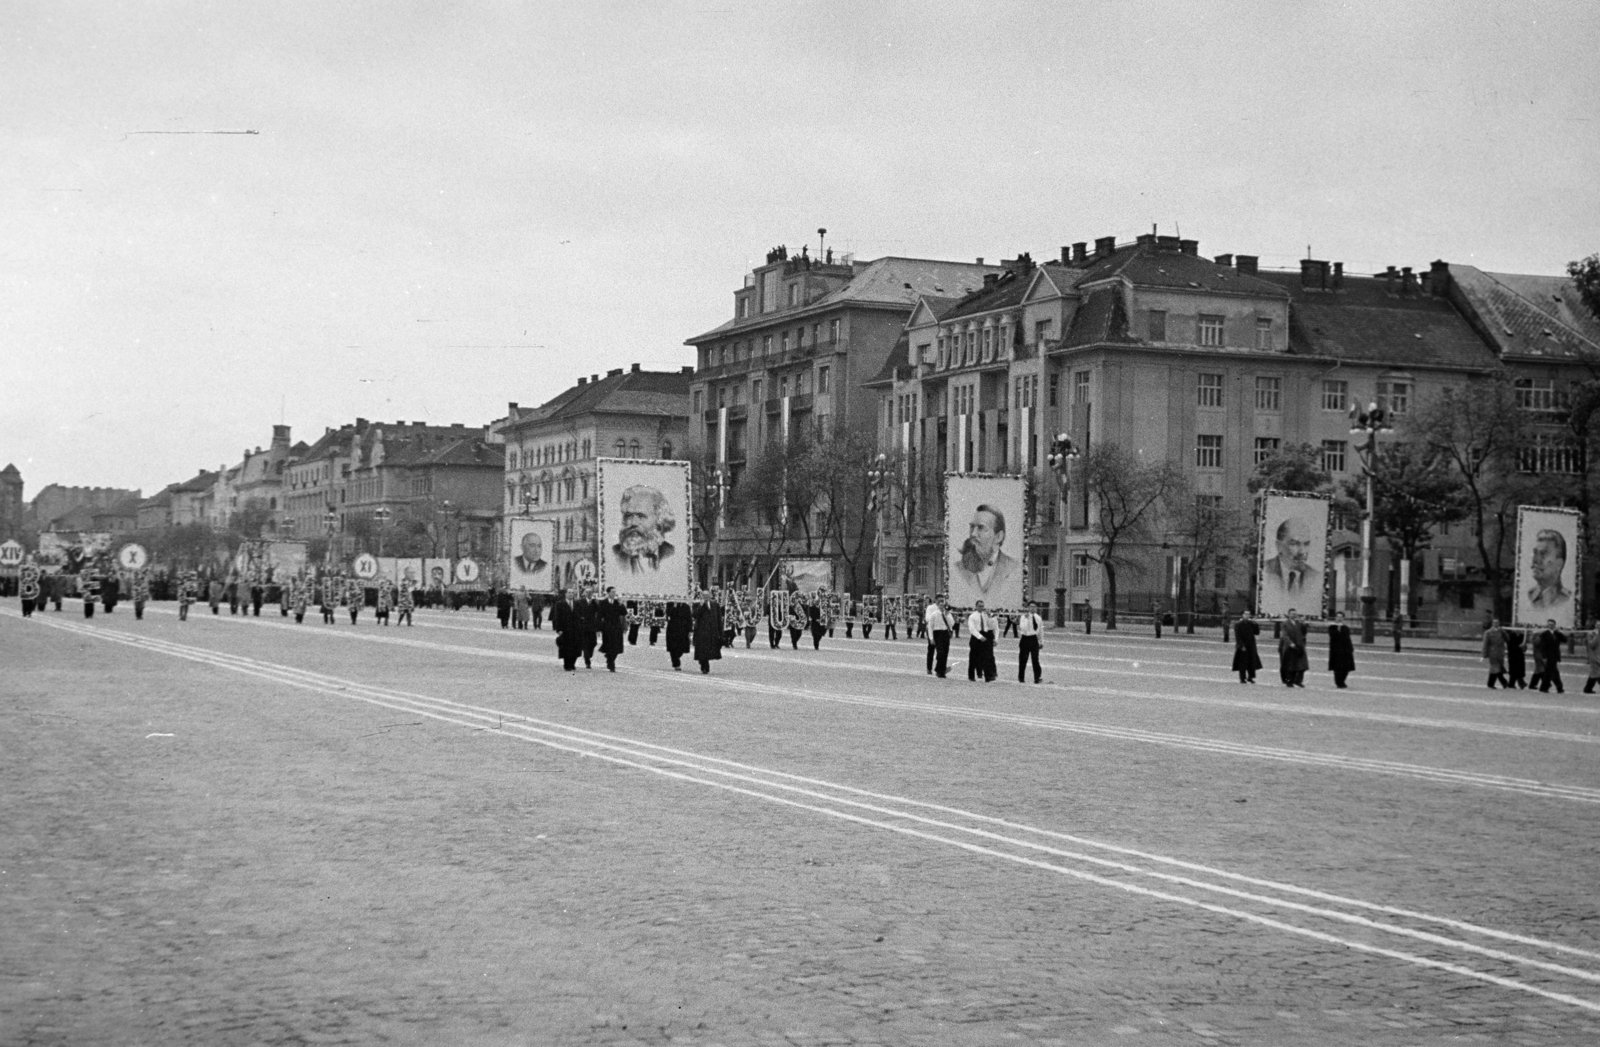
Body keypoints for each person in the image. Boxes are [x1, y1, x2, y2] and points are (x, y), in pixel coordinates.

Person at [954, 505, 1019, 599]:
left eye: (981, 528)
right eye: (972, 527)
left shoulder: (1013, 568)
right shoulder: (957, 569)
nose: (973, 534)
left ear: (998, 537)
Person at [612, 485, 677, 575]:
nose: (633, 522)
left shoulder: (672, 554)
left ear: (659, 519)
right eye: (628, 515)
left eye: (641, 516)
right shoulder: (614, 555)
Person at [1261, 516, 1321, 602]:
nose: (1302, 551)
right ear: (1279, 546)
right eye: (1294, 544)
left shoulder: (1315, 577)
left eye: (1306, 544)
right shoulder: (1265, 570)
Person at [1526, 529, 1572, 612]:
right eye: (1535, 553)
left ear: (1559, 563)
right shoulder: (1528, 595)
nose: (1535, 560)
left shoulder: (1566, 599)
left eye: (1543, 554)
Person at [596, 586, 628, 672]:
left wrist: (622, 604)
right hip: (607, 626)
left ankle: (610, 658)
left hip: (617, 627)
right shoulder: (603, 603)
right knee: (609, 645)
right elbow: (599, 616)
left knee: (617, 646)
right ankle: (611, 664)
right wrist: (598, 629)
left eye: (615, 592)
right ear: (608, 593)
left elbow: (624, 613)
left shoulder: (617, 602)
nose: (614, 594)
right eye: (612, 592)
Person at [692, 591, 724, 674]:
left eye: (707, 596)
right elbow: (694, 615)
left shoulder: (715, 605)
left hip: (712, 632)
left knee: (709, 651)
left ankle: (703, 662)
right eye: (704, 596)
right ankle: (705, 667)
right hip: (701, 632)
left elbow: (719, 619)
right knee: (702, 650)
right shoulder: (697, 604)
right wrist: (702, 606)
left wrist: (721, 633)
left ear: (710, 596)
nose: (706, 597)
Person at [966, 600, 997, 682]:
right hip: (976, 637)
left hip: (985, 635)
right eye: (980, 606)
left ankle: (988, 676)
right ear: (976, 606)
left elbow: (990, 626)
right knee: (973, 657)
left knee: (986, 657)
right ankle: (971, 675)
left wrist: (990, 616)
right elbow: (972, 629)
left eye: (982, 606)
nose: (981, 608)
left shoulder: (985, 615)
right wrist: (979, 636)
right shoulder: (972, 616)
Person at [551, 588, 580, 671]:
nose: (571, 594)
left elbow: (580, 615)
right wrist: (559, 629)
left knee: (575, 647)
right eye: (569, 593)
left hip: (576, 629)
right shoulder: (560, 604)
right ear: (566, 594)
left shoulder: (577, 603)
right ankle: (567, 664)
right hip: (565, 629)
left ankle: (572, 663)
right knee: (566, 647)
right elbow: (557, 617)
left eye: (572, 593)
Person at [1535, 619, 1568, 693]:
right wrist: (1544, 657)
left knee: (1549, 673)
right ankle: (1559, 688)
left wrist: (1559, 633)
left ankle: (1544, 688)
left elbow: (1565, 640)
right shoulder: (1544, 634)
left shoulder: (1557, 634)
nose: (1550, 626)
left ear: (1554, 625)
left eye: (1552, 624)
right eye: (1549, 624)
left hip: (1555, 655)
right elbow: (1542, 646)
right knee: (1553, 672)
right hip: (1548, 656)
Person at [1278, 609, 1308, 687]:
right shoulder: (1285, 624)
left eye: (1295, 614)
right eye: (1292, 614)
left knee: (1300, 665)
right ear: (1289, 614)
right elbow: (1284, 635)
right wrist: (1290, 643)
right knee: (1289, 666)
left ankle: (1297, 681)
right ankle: (1288, 681)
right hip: (1289, 647)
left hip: (1299, 646)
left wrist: (1304, 625)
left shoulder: (1299, 623)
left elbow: (1303, 633)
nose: (1293, 615)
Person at [925, 595, 953, 677]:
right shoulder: (931, 608)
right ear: (936, 600)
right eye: (939, 600)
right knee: (931, 650)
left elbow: (951, 622)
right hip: (934, 631)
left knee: (942, 652)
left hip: (944, 633)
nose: (941, 602)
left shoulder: (945, 611)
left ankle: (940, 669)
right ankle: (929, 668)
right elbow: (928, 619)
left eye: (942, 600)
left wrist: (946, 614)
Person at [1016, 605, 1043, 684]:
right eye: (1031, 607)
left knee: (1035, 659)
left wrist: (1041, 641)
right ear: (1028, 608)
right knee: (1023, 659)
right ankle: (1021, 678)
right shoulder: (1023, 617)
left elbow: (1040, 630)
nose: (1032, 608)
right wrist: (1027, 619)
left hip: (1034, 639)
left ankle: (1037, 678)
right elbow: (1022, 628)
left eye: (1034, 607)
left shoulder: (1038, 618)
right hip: (1025, 638)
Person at [1328, 611, 1355, 688]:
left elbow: (1348, 638)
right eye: (1338, 617)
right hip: (1336, 651)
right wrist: (1338, 629)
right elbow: (1332, 636)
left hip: (1345, 651)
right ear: (1335, 618)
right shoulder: (1332, 627)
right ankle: (1339, 682)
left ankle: (1342, 680)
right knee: (1337, 668)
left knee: (1346, 667)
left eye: (1341, 617)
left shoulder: (1345, 627)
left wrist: (1351, 648)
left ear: (1343, 618)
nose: (1339, 618)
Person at [665, 600, 694, 670]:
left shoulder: (686, 606)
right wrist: (674, 607)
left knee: (681, 647)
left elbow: (689, 618)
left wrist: (690, 629)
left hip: (683, 629)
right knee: (673, 647)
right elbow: (668, 614)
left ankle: (677, 657)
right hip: (672, 629)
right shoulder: (670, 604)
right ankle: (676, 663)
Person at [1232, 613, 1261, 683]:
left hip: (1251, 645)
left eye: (1248, 614)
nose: (1247, 616)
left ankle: (1250, 677)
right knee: (1242, 663)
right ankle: (1242, 678)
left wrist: (1256, 624)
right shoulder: (1238, 624)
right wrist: (1241, 646)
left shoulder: (1251, 623)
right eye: (1245, 614)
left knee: (1251, 662)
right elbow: (1237, 636)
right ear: (1242, 615)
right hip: (1243, 646)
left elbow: (1257, 632)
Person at [573, 587, 597, 668]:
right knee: (585, 644)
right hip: (582, 627)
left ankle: (588, 655)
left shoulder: (595, 602)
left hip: (592, 627)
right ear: (585, 593)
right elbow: (575, 614)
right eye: (587, 592)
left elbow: (598, 613)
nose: (589, 594)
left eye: (591, 592)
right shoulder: (579, 602)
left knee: (593, 643)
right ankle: (587, 661)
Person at [1482, 618, 1509, 689]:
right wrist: (1484, 654)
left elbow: (1508, 639)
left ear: (1499, 623)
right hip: (1493, 653)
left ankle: (1498, 683)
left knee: (1497, 668)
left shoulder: (1501, 631)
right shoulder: (1488, 632)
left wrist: (1504, 632)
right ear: (1492, 624)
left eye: (1497, 622)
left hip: (1500, 652)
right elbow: (1485, 644)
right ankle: (1500, 683)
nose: (1496, 624)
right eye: (1494, 623)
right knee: (1495, 668)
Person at [1505, 625, 1527, 689]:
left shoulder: (1522, 636)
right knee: (1514, 669)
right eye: (1517, 629)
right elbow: (1510, 646)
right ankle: (1521, 683)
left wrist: (1524, 648)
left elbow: (1524, 645)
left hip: (1520, 655)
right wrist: (1518, 647)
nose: (1518, 630)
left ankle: (1512, 684)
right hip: (1512, 655)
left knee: (1517, 669)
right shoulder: (1510, 636)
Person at [1584, 621, 1600, 695]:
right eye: (1598, 625)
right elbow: (1591, 644)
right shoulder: (1592, 634)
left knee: (1594, 674)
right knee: (1596, 673)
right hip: (1594, 656)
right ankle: (1588, 688)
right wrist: (1597, 636)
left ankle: (1588, 688)